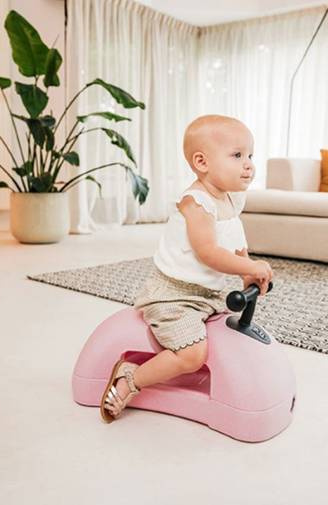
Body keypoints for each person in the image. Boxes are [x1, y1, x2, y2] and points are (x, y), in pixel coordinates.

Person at [100, 114, 274, 422]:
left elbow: (235, 240)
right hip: (174, 296)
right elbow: (209, 252)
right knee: (192, 355)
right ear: (202, 162)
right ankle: (130, 378)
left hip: (208, 293)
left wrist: (247, 271)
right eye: (237, 156)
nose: (249, 165)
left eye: (250, 156)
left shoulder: (232, 198)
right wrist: (251, 265)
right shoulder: (196, 202)